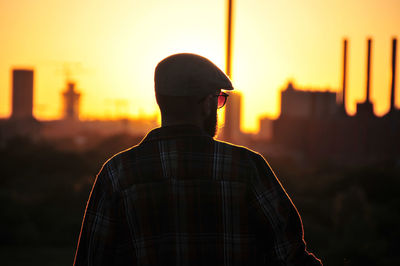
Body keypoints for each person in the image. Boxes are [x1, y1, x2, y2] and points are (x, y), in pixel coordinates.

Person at [74, 53, 322, 266]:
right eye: (219, 100)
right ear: (206, 104)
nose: (218, 107)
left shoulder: (118, 174)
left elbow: (92, 260)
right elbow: (290, 257)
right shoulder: (246, 168)